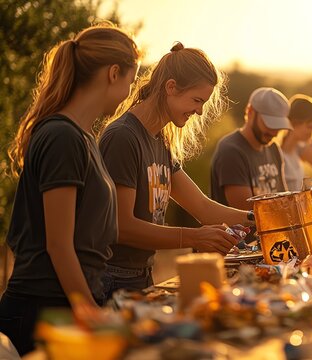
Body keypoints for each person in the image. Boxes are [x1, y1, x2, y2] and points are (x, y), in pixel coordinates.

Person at [1, 24, 140, 355]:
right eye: (130, 84)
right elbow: (59, 245)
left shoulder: (82, 137)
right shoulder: (62, 138)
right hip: (42, 309)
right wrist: (89, 313)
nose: (128, 95)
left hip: (62, 303)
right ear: (113, 73)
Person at [99, 43, 251, 298]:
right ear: (171, 87)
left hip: (141, 276)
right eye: (196, 100)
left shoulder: (160, 141)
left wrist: (263, 218)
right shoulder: (123, 138)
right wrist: (194, 238)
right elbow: (121, 226)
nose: (199, 110)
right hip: (110, 279)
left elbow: (202, 207)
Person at [210, 87, 292, 210]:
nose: (275, 133)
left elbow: (284, 198)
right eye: (270, 124)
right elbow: (247, 212)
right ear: (250, 112)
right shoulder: (231, 151)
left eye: (279, 126)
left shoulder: (273, 148)